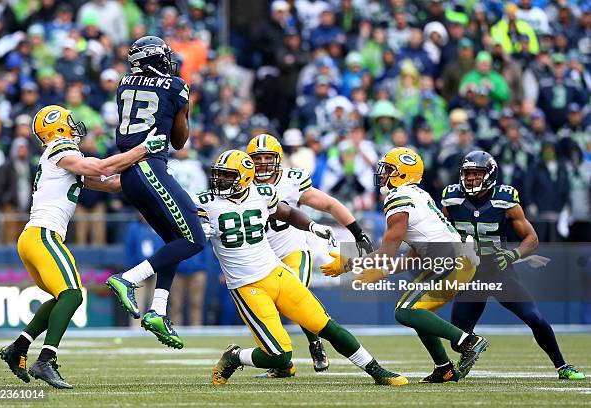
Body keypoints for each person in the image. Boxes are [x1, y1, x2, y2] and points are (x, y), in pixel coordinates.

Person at [195, 150, 407, 387]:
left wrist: (313, 226)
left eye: (227, 175)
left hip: (277, 273)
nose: (219, 180)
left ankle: (377, 371)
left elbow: (287, 212)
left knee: (327, 326)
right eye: (219, 174)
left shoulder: (263, 193)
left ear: (244, 178)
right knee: (279, 355)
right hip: (247, 285)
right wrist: (197, 232)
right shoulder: (205, 202)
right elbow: (187, 233)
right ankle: (234, 356)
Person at [0, 105, 165, 389]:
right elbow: (101, 167)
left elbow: (111, 184)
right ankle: (46, 360)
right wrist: (143, 149)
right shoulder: (60, 147)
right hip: (43, 235)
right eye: (69, 123)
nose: (75, 127)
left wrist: (147, 171)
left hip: (35, 237)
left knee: (60, 297)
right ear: (58, 128)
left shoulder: (60, 159)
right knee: (73, 294)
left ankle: (18, 348)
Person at [321, 147, 488, 383]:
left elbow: (388, 251)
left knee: (406, 311)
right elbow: (418, 251)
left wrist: (349, 264)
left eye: (389, 170)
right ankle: (444, 369)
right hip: (453, 259)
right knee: (416, 311)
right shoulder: (418, 195)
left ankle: (468, 341)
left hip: (452, 261)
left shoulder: (399, 199)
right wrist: (385, 271)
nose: (383, 175)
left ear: (402, 174)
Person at [442, 151, 585, 380]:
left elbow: (532, 239)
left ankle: (562, 366)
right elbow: (442, 232)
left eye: (476, 174)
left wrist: (512, 255)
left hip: (498, 271)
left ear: (489, 175)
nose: (470, 179)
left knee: (534, 318)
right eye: (467, 174)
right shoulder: (451, 198)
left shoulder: (505, 199)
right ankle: (469, 353)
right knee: (457, 338)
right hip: (468, 274)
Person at [106, 36, 206, 349]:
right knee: (194, 239)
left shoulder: (124, 83)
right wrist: (184, 106)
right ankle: (128, 279)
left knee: (175, 241)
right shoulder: (175, 86)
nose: (169, 61)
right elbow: (180, 141)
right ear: (154, 59)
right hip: (149, 166)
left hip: (130, 174)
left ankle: (158, 311)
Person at [246, 134, 374, 377]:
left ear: (278, 159)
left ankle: (315, 343)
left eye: (267, 157)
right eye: (257, 158)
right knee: (265, 308)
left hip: (292, 249)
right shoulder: (241, 183)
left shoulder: (291, 181)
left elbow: (329, 204)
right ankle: (282, 363)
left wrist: (356, 231)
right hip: (260, 257)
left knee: (295, 296)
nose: (262, 163)